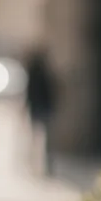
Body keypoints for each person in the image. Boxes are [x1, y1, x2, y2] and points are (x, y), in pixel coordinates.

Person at [23, 47, 57, 175]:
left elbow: (30, 93)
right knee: (45, 139)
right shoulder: (45, 73)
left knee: (35, 138)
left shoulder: (34, 73)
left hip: (38, 108)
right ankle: (40, 164)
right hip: (44, 108)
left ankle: (34, 163)